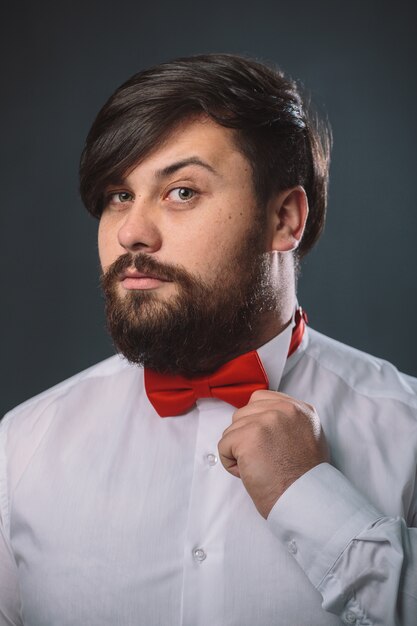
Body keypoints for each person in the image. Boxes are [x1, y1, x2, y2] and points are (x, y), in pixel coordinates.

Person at [0, 53, 416, 626]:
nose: (130, 232)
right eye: (119, 195)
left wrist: (313, 499)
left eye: (182, 192)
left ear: (285, 219)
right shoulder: (19, 447)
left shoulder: (408, 431)